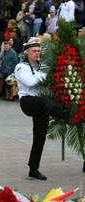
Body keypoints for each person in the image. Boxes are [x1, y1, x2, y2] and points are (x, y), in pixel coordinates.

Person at [15, 37, 77, 180]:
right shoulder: (21, 66)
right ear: (27, 52)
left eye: (38, 51)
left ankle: (33, 168)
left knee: (39, 136)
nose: (37, 53)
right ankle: (67, 117)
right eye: (34, 51)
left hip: (43, 106)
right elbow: (30, 83)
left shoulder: (43, 67)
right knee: (45, 101)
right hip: (28, 101)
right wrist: (47, 79)